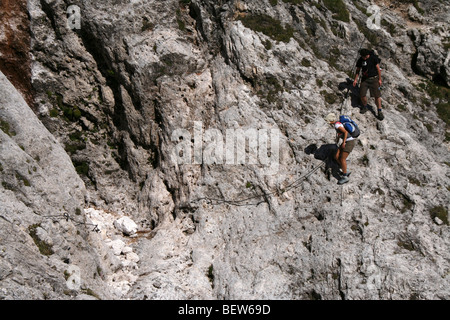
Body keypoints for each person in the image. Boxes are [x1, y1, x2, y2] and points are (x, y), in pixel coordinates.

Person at [325, 113, 356, 185]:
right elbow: (341, 133)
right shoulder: (337, 124)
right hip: (347, 141)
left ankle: (345, 176)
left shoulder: (337, 125)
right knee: (336, 156)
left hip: (349, 142)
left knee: (342, 158)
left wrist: (344, 142)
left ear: (330, 120)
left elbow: (345, 132)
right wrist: (338, 139)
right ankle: (346, 170)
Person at [353, 48, 384, 120]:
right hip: (365, 79)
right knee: (362, 94)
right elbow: (358, 70)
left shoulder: (373, 58)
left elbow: (378, 69)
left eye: (366, 56)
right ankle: (365, 106)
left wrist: (379, 79)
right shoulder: (361, 60)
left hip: (374, 79)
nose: (365, 58)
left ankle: (379, 111)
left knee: (377, 95)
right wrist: (355, 80)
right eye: (364, 57)